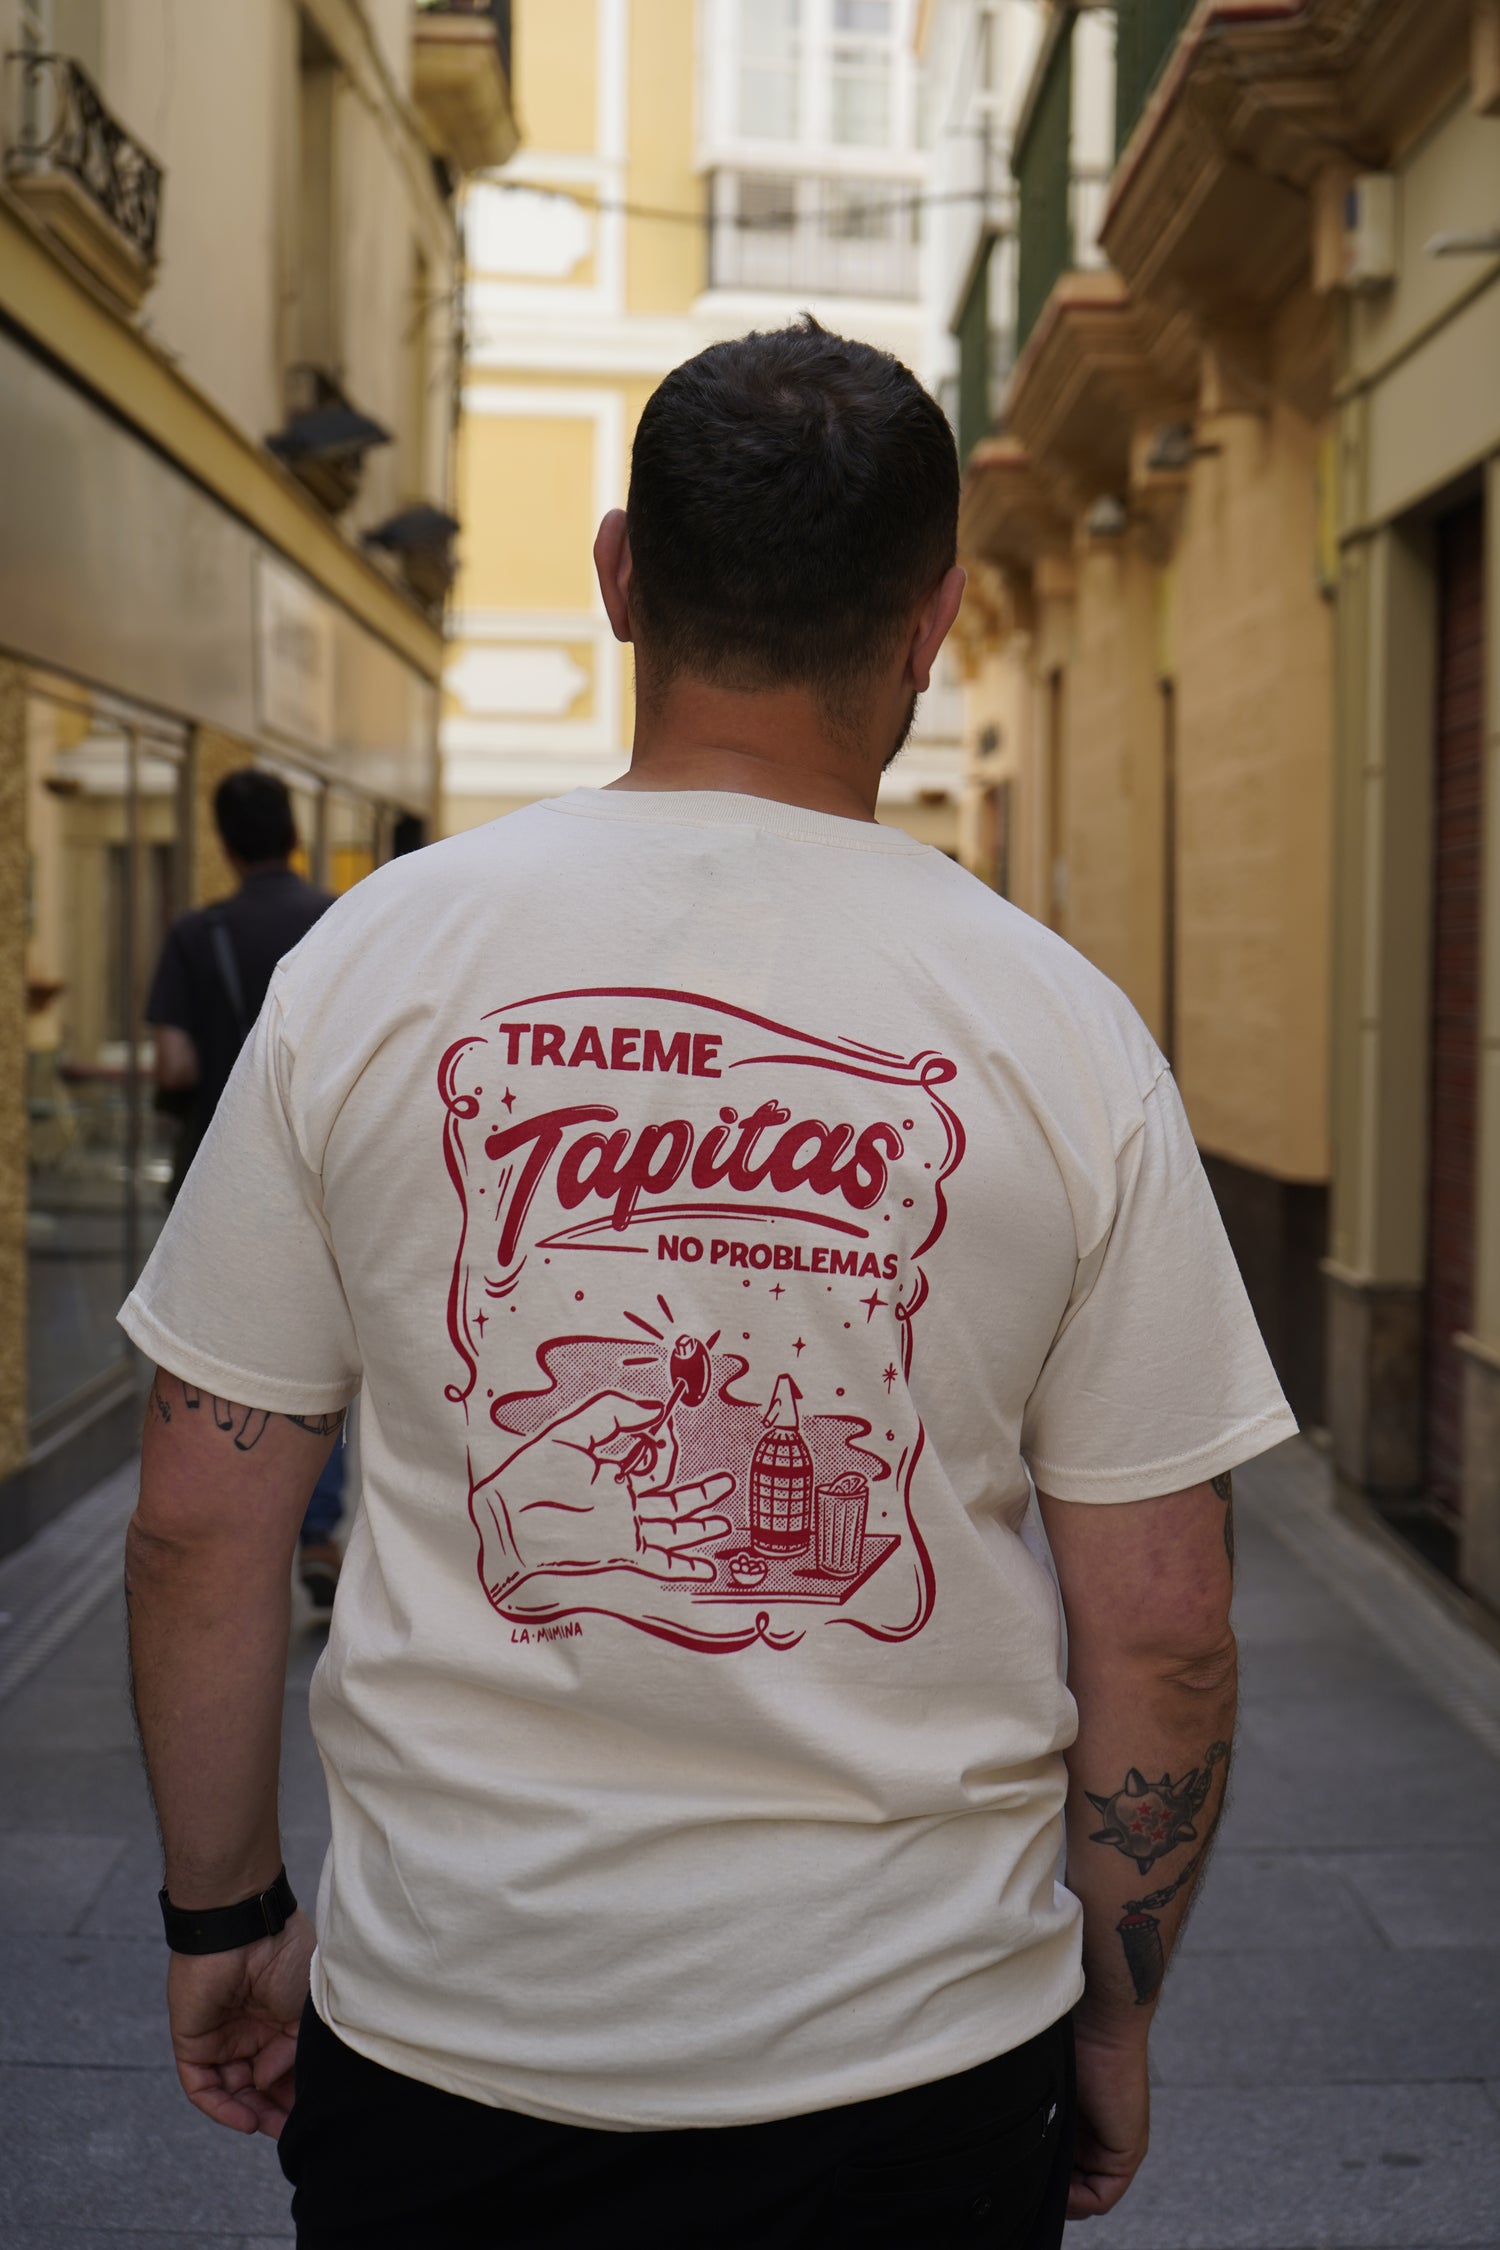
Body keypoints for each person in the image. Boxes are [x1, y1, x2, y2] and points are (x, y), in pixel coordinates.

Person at [120, 320, 1296, 2250]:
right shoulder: (1063, 1032)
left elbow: (196, 1517)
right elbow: (1167, 1627)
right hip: (920, 2062)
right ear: (934, 621)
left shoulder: (375, 966)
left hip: (453, 2043)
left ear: (618, 578)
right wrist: (1115, 2004)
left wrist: (224, 1910)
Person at [145, 768, 345, 1608]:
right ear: (294, 831)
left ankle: (242, 1531)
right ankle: (318, 1528)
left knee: (229, 1359)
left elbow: (175, 1064)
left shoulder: (199, 935)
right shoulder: (345, 919)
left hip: (223, 1179)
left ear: (224, 842)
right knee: (324, 1347)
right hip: (331, 1171)